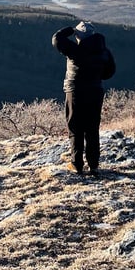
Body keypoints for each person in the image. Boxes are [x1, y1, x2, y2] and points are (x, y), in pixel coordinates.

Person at [51, 21, 115, 175]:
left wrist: (70, 30)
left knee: (75, 127)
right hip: (95, 91)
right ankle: (93, 165)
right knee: (92, 129)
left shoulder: (75, 50)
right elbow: (109, 72)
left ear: (78, 36)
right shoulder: (104, 52)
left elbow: (56, 38)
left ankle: (77, 164)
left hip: (75, 92)